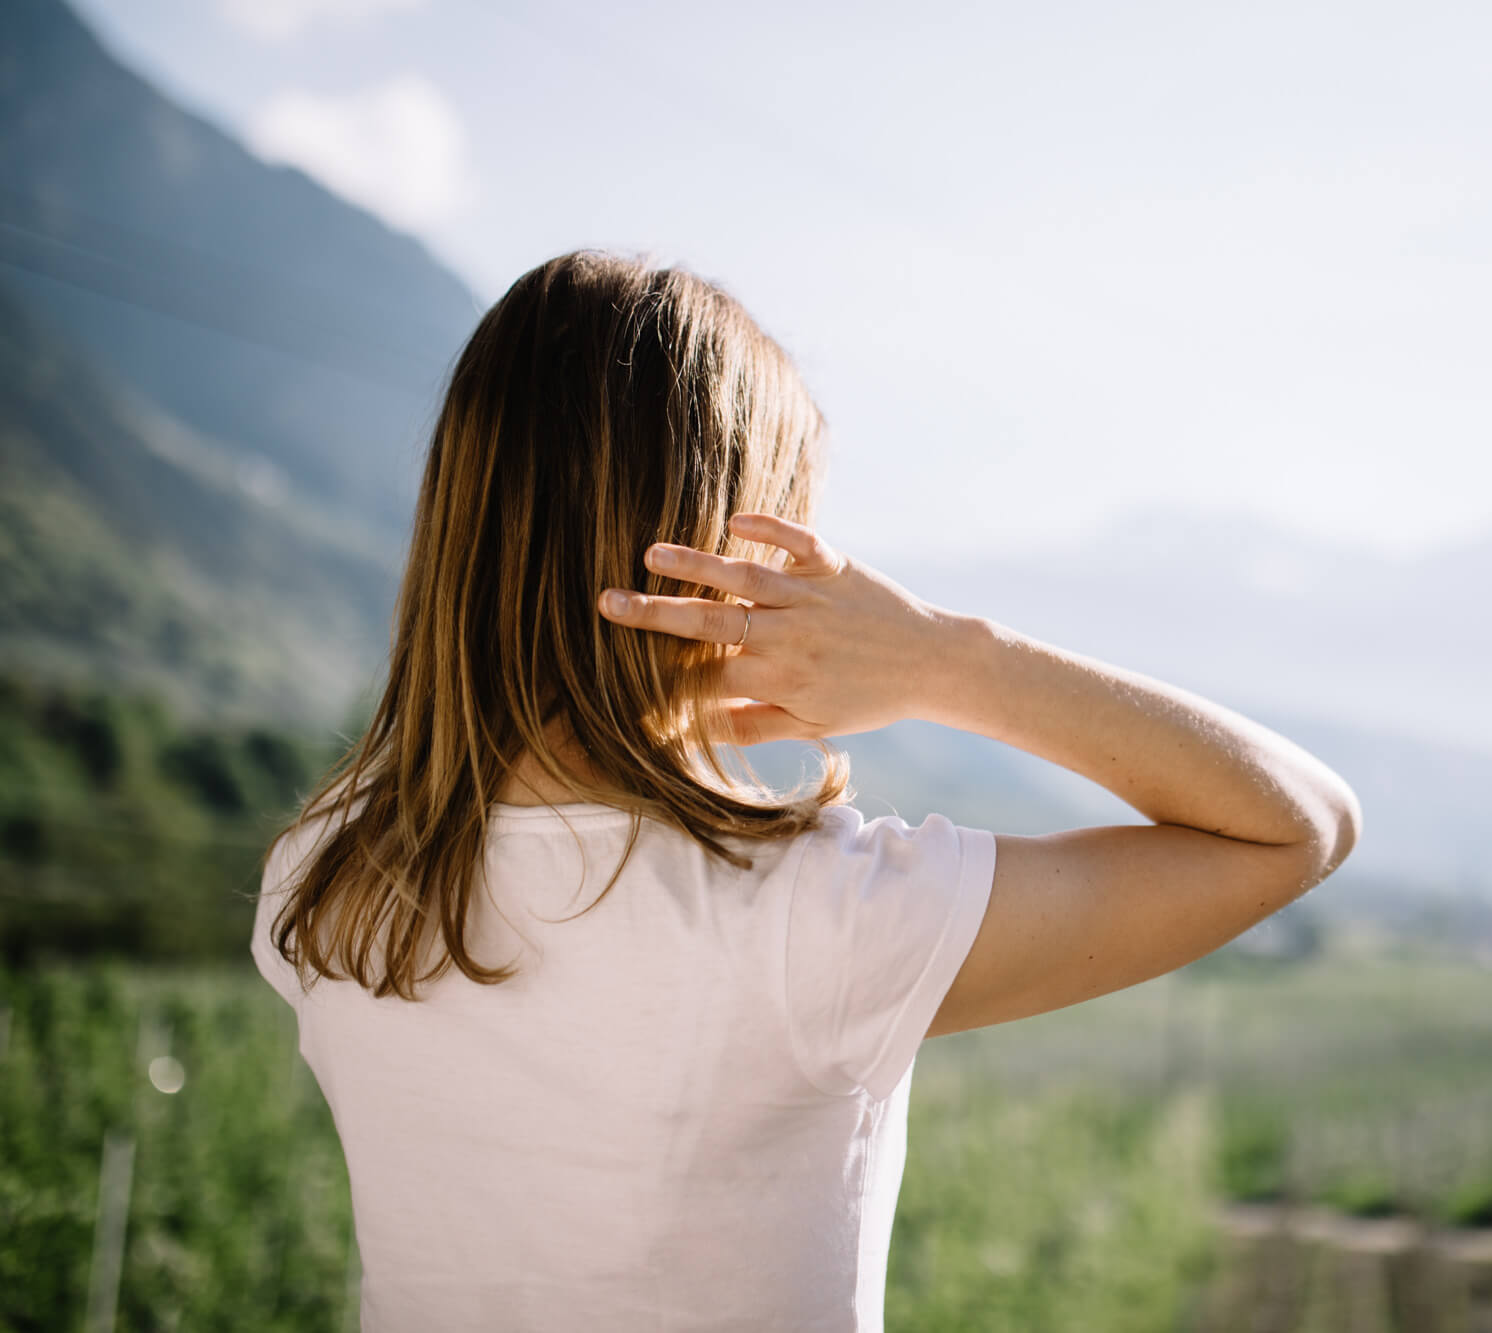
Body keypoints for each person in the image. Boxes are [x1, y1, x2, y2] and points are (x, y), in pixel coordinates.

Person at [251, 249, 1361, 1332]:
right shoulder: (804, 918)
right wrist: (942, 658)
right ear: (717, 559)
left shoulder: (318, 883)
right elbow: (1297, 825)